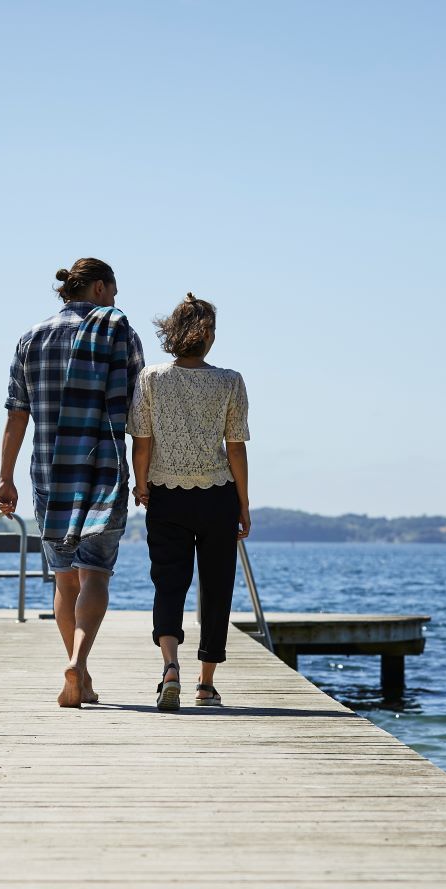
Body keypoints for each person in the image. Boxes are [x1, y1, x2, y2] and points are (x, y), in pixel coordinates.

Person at [0, 258, 146, 708]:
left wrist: (5, 477)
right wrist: (143, 478)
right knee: (96, 573)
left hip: (48, 473)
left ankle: (77, 675)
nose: (116, 303)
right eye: (114, 293)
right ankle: (79, 666)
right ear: (100, 288)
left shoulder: (31, 338)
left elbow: (16, 413)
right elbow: (141, 412)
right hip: (103, 472)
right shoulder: (120, 332)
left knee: (65, 582)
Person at [129, 293, 251, 709]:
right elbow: (235, 448)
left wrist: (141, 484)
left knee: (168, 583)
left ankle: (170, 668)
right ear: (209, 336)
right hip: (217, 496)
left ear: (172, 334)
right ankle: (206, 684)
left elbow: (141, 442)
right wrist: (244, 502)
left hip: (165, 495)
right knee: (217, 588)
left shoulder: (150, 378)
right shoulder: (230, 380)